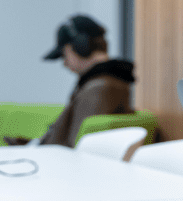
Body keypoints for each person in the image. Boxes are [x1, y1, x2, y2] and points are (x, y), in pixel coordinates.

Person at [3, 15, 136, 148]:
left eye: (64, 54)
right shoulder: (109, 83)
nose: (64, 63)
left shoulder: (98, 88)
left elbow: (75, 147)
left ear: (80, 46)